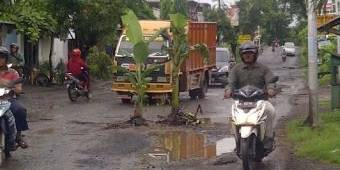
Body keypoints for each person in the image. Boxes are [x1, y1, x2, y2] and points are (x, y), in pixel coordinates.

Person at [224, 41, 277, 150]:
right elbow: (231, 83)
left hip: (260, 100)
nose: (248, 55)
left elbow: (270, 81)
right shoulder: (236, 69)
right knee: (231, 115)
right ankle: (237, 139)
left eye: (250, 53)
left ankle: (268, 138)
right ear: (241, 55)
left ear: (255, 54)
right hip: (241, 101)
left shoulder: (263, 69)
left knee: (271, 111)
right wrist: (228, 90)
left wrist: (271, 89)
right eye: (245, 53)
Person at [0, 46, 29, 150]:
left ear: (6, 58)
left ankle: (18, 136)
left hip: (9, 99)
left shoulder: (13, 72)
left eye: (2, 57)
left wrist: (11, 87)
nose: (0, 59)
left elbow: (18, 89)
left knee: (20, 110)